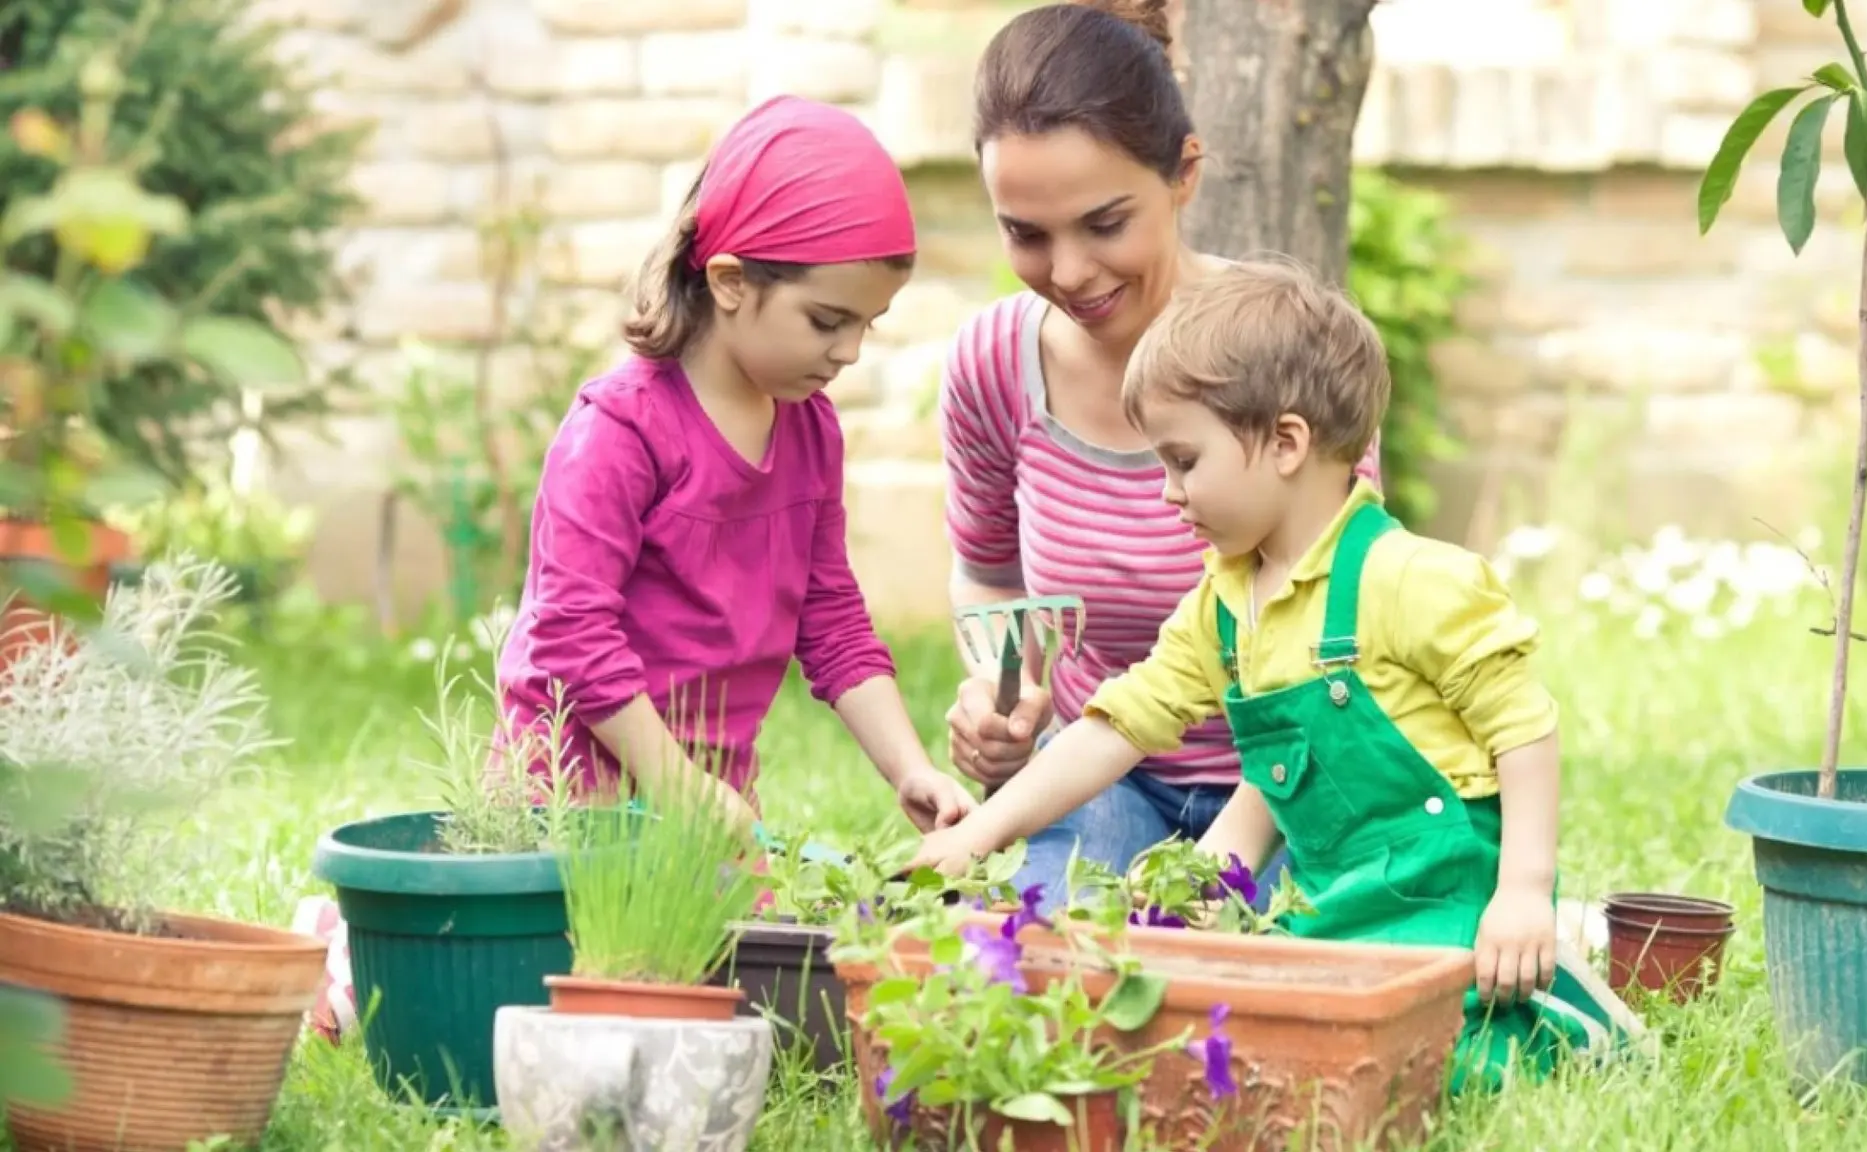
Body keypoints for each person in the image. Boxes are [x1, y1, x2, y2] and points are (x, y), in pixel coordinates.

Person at [914, 260, 1634, 1094]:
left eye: (1184, 461)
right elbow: (1118, 730)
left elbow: (1523, 727)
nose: (1167, 494)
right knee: (1265, 1051)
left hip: (1448, 900)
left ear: (1287, 443)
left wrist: (1524, 892)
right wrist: (981, 836)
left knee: (1436, 1071)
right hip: (1334, 904)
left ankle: (1568, 991)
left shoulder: (1410, 579)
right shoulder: (1224, 604)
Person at [939, 0, 1382, 906]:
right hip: (1104, 773)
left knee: (1278, 971)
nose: (1067, 273)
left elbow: (1346, 633)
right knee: (1055, 961)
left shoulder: (1285, 350)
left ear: (1184, 173)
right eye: (1025, 232)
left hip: (1289, 778)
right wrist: (1003, 691)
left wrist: (1217, 869)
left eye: (1104, 224)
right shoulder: (994, 365)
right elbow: (989, 574)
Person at [493, 95, 977, 837]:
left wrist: (910, 767)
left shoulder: (809, 429)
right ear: (729, 282)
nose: (848, 351)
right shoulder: (619, 432)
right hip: (567, 801)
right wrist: (674, 784)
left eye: (866, 325)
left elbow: (832, 617)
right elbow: (571, 635)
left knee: (755, 955)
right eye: (826, 321)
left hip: (707, 804)